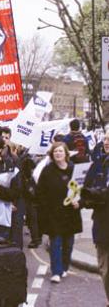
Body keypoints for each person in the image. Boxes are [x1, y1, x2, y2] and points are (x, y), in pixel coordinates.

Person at [37, 141, 82, 283]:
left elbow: (81, 188)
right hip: (53, 213)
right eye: (55, 151)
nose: (58, 153)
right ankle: (56, 271)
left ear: (66, 154)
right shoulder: (47, 170)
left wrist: (78, 202)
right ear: (52, 154)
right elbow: (40, 191)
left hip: (70, 213)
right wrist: (45, 208)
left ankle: (64, 267)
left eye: (60, 151)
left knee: (68, 244)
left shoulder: (74, 169)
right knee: (55, 242)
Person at [81, 131, 109, 305]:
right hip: (102, 222)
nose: (106, 142)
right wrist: (85, 199)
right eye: (105, 138)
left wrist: (94, 195)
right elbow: (89, 187)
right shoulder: (101, 162)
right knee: (104, 267)